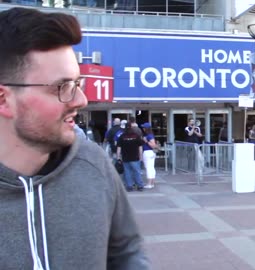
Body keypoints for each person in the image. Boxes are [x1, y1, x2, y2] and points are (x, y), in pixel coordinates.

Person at [0, 7, 149, 269]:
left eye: (78, 84)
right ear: (4, 99)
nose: (81, 100)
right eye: (63, 87)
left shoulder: (93, 164)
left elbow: (126, 252)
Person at [117, 123, 144, 192]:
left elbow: (119, 148)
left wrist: (118, 157)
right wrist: (141, 157)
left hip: (125, 158)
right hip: (135, 157)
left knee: (127, 172)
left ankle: (129, 186)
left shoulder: (122, 136)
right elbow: (140, 147)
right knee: (137, 172)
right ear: (131, 128)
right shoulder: (136, 136)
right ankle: (140, 186)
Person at [141, 122, 157, 189]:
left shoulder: (149, 136)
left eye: (144, 127)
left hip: (148, 152)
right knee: (151, 168)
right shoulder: (150, 135)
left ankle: (149, 183)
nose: (143, 129)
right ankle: (152, 183)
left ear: (146, 129)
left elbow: (153, 145)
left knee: (148, 168)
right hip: (150, 153)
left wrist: (146, 141)